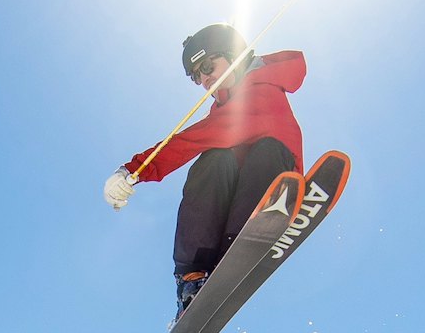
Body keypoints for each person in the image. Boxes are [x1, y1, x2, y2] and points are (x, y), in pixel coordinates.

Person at [104, 25, 307, 315]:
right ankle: (193, 276)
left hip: (276, 183)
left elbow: (195, 139)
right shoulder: (224, 106)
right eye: (196, 76)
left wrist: (133, 170)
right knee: (216, 161)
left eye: (208, 66)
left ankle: (243, 239)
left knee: (259, 152)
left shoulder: (262, 89)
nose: (204, 79)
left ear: (233, 55)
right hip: (236, 204)